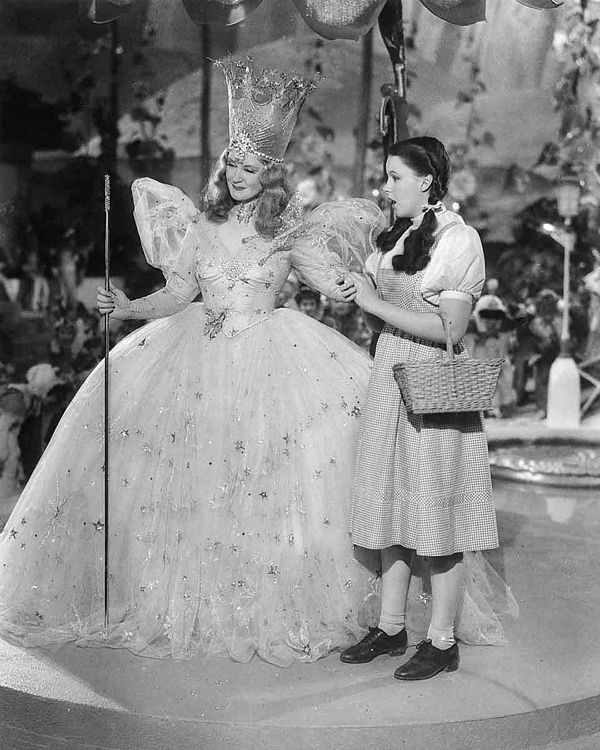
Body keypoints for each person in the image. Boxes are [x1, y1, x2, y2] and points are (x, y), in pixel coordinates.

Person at [0, 58, 385, 667]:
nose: (238, 173)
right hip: (194, 358)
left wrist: (367, 291)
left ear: (272, 174)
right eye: (233, 162)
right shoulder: (199, 225)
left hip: (272, 361)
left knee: (270, 478)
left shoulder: (288, 232)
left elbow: (328, 280)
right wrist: (126, 307)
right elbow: (180, 293)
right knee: (180, 477)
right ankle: (180, 596)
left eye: (252, 165)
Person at [340, 136, 516, 680]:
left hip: (434, 384)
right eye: (386, 176)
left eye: (396, 177)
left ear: (426, 181)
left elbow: (451, 329)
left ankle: (442, 639)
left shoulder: (457, 238)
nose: (387, 187)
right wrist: (363, 295)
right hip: (390, 376)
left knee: (436, 508)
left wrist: (374, 301)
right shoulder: (394, 239)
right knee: (392, 503)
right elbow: (384, 319)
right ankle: (391, 626)